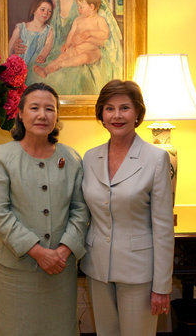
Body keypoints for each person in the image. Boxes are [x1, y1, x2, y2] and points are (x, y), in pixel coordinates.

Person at [0, 83, 89, 336]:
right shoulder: (1, 157)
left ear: (57, 116)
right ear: (20, 113)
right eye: (34, 108)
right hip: (17, 269)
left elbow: (80, 210)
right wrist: (38, 252)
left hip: (60, 268)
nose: (42, 115)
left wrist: (63, 252)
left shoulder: (72, 158)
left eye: (49, 109)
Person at [80, 80, 174, 336]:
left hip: (139, 272)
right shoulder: (89, 157)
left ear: (137, 113)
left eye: (125, 108)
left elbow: (164, 227)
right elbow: (83, 213)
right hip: (97, 268)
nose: (117, 115)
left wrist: (162, 286)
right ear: (101, 114)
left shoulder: (156, 159)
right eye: (109, 108)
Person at [14, 0, 123, 95]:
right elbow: (39, 29)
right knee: (32, 70)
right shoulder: (51, 2)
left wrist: (89, 37)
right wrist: (22, 42)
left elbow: (108, 37)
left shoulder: (90, 0)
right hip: (58, 51)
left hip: (88, 51)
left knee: (76, 74)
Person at [34, 0, 109, 78]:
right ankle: (45, 70)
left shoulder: (99, 20)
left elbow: (105, 34)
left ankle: (61, 65)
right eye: (78, 6)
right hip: (76, 48)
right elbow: (71, 33)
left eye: (81, 7)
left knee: (84, 57)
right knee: (63, 56)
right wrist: (67, 44)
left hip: (92, 51)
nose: (78, 9)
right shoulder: (78, 20)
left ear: (92, 7)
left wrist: (90, 33)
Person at [8, 0, 55, 66]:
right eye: (42, 9)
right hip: (19, 65)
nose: (46, 13)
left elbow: (48, 46)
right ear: (34, 10)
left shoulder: (49, 30)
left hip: (36, 65)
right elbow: (10, 48)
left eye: (49, 11)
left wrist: (43, 56)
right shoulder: (21, 28)